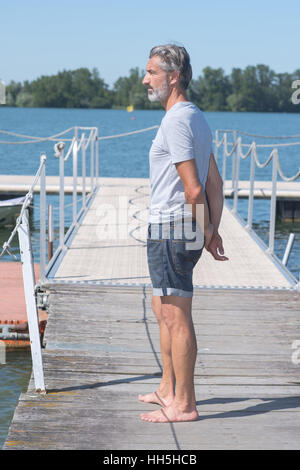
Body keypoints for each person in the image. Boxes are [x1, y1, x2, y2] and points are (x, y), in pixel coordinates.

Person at [139, 44, 228, 423]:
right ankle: (166, 388)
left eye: (151, 73)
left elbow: (195, 188)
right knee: (162, 310)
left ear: (173, 77)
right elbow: (216, 183)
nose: (144, 80)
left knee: (176, 317)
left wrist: (205, 229)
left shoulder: (176, 120)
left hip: (174, 229)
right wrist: (212, 230)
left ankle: (185, 405)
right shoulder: (197, 118)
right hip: (180, 228)